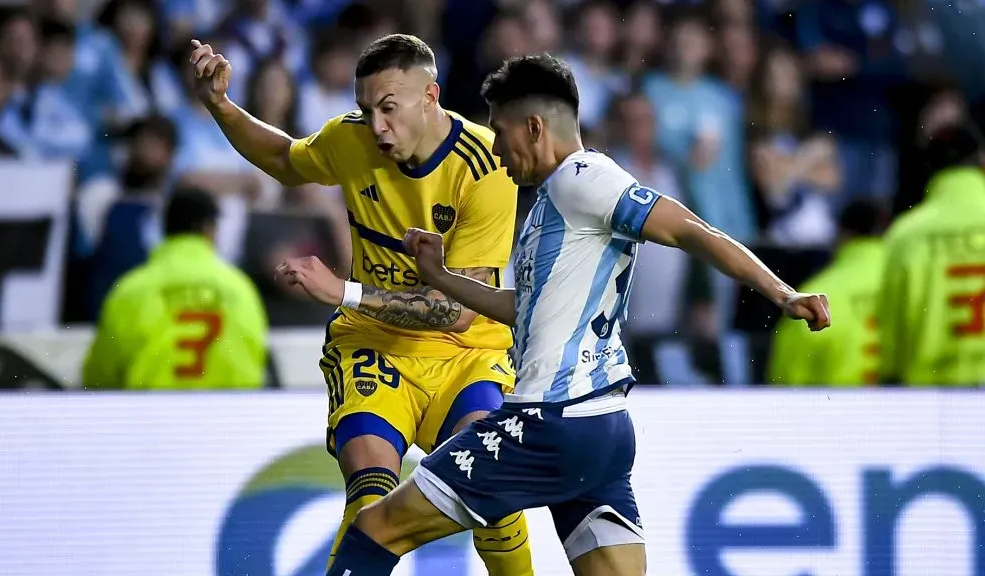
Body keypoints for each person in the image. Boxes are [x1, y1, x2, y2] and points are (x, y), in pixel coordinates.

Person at [325, 54, 831, 576]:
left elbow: (686, 229)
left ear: (535, 127)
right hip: (602, 432)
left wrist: (781, 292)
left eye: (500, 133)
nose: (497, 152)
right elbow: (525, 310)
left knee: (375, 531)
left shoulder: (584, 177)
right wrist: (441, 276)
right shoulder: (551, 204)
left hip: (548, 421)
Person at [187, 34, 534, 574]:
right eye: (366, 109)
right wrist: (220, 106)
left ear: (430, 96)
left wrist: (344, 292)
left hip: (465, 353)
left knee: (491, 492)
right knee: (370, 495)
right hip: (373, 346)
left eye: (388, 109)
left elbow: (459, 310)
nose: (376, 127)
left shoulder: (484, 165)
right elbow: (283, 158)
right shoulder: (350, 140)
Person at [83, 188, 268, 389]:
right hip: (221, 416)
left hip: (150, 415)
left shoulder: (131, 288)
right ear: (210, 229)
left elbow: (99, 375)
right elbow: (254, 363)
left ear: (165, 228)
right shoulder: (239, 289)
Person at [878, 123, 985, 385]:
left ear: (928, 167)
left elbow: (891, 328)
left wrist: (890, 376)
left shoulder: (905, 234)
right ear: (981, 160)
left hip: (933, 397)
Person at [768, 199, 886, 386]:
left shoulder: (811, 297)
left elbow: (786, 380)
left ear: (841, 234)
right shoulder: (910, 281)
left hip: (837, 408)